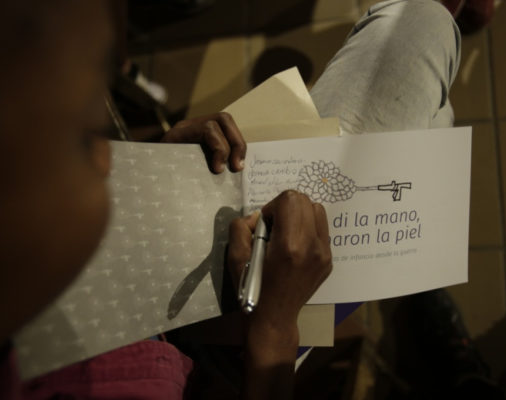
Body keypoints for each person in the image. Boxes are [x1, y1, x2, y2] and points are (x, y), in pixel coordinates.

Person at [0, 0, 465, 399]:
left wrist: (154, 166)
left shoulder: (32, 267)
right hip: (236, 359)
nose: (110, 160)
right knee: (427, 69)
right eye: (82, 138)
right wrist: (276, 327)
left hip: (155, 285)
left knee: (423, 42)